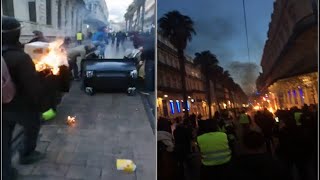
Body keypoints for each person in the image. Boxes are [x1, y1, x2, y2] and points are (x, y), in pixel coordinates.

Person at [2, 16, 46, 180]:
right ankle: (26, 154)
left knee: (4, 141)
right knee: (33, 124)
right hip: (19, 106)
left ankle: (5, 172)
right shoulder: (20, 58)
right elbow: (33, 89)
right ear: (17, 33)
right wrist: (41, 105)